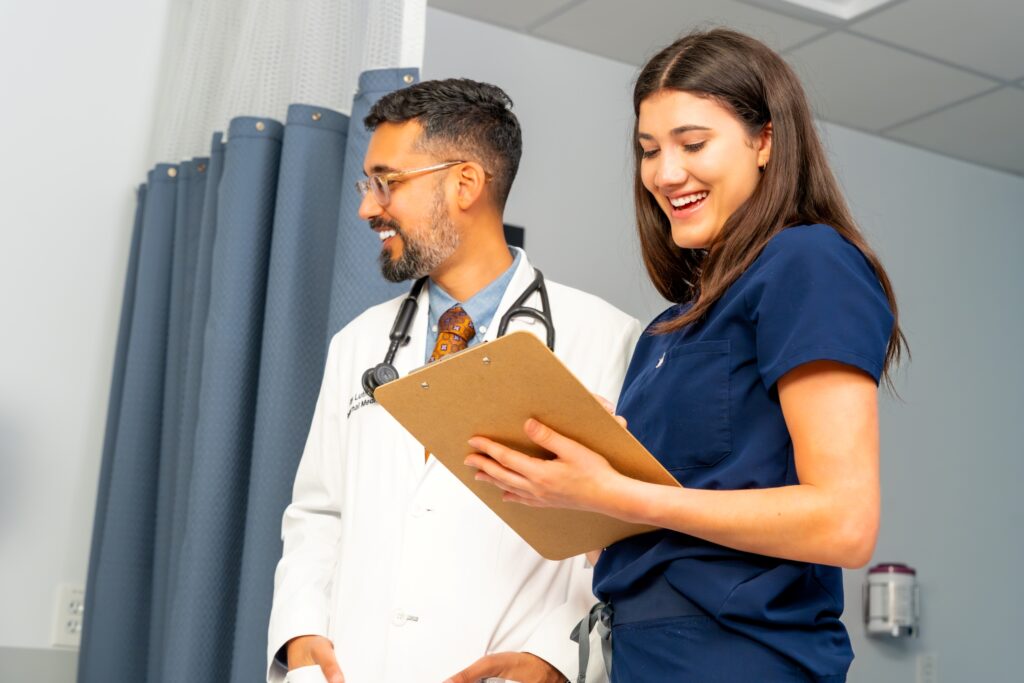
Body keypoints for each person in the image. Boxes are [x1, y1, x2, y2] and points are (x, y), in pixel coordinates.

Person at [465, 29, 908, 682]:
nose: (666, 173)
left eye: (693, 144)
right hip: (642, 653)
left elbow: (845, 522)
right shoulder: (668, 330)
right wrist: (585, 468)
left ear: (766, 141)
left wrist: (623, 489)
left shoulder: (808, 262)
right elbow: (652, 541)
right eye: (649, 150)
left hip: (744, 657)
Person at [266, 78, 641, 683]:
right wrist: (301, 634)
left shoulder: (605, 339)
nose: (367, 207)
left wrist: (555, 659)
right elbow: (318, 513)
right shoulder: (359, 343)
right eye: (369, 185)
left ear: (465, 182)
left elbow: (613, 538)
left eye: (387, 183)